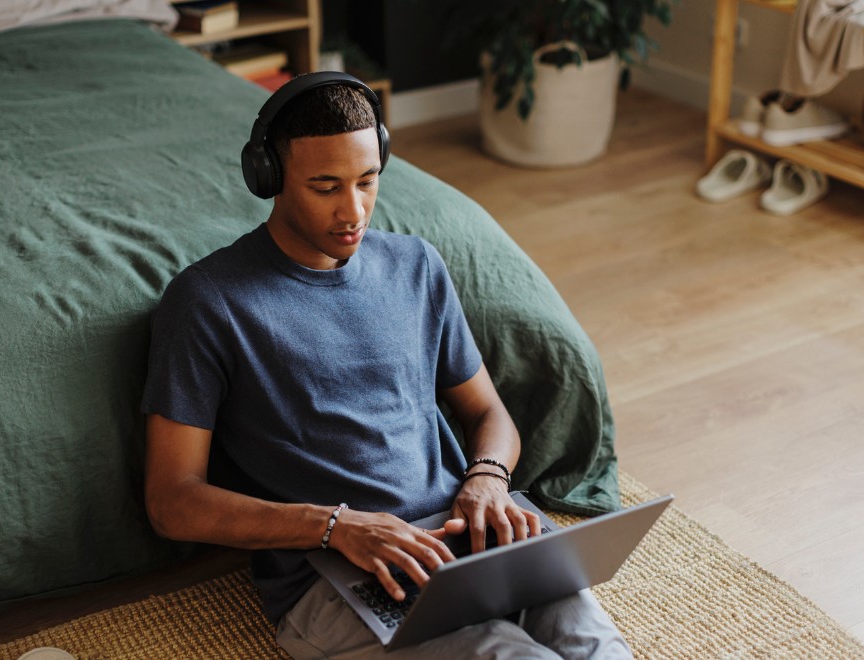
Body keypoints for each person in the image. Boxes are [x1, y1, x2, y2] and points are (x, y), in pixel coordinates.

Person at [141, 73, 632, 659]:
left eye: (367, 181)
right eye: (325, 187)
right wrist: (338, 526)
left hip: (467, 530)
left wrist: (488, 479)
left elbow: (488, 412)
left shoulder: (416, 264)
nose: (353, 211)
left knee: (598, 648)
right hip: (337, 571)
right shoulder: (208, 302)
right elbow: (172, 501)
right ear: (269, 177)